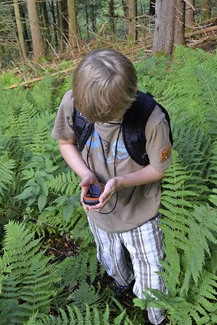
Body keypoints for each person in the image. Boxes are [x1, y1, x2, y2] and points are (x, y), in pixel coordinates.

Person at [51, 49, 171, 325]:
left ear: (129, 96)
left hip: (141, 212)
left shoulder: (151, 120)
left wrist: (119, 183)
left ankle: (157, 316)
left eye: (107, 117)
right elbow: (66, 142)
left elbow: (158, 169)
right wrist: (85, 174)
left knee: (152, 268)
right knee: (110, 259)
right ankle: (122, 284)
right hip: (99, 211)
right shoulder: (74, 103)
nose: (99, 122)